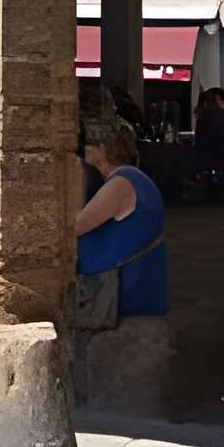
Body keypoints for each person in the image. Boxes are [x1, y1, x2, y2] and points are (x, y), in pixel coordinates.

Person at [74, 114, 169, 318]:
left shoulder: (120, 184)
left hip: (122, 292)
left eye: (90, 144)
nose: (85, 149)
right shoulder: (132, 177)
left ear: (102, 149)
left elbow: (75, 226)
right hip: (136, 287)